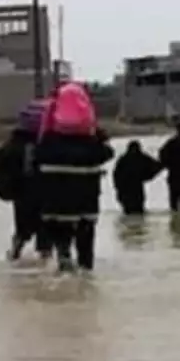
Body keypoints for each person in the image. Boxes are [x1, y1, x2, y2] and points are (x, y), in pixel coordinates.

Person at [34, 82, 115, 273]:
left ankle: (64, 260)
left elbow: (37, 159)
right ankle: (85, 272)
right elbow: (107, 153)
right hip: (85, 205)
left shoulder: (48, 143)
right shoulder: (92, 145)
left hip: (56, 205)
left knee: (62, 238)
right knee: (85, 245)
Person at [0, 100, 52, 261]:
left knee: (23, 230)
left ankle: (15, 253)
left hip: (22, 196)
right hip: (44, 196)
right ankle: (42, 259)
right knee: (45, 233)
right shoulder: (47, 144)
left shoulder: (12, 145)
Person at [112, 140, 164, 215]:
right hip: (130, 190)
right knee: (136, 212)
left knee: (131, 213)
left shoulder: (124, 159)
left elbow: (116, 176)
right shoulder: (139, 157)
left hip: (129, 190)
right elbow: (157, 166)